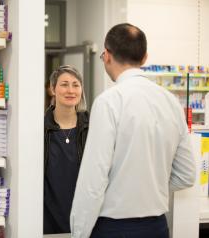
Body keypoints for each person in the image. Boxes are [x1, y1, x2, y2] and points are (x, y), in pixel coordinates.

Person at [70, 23, 196, 238]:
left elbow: (93, 182)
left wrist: (79, 233)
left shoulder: (109, 102)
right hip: (157, 227)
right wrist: (148, 187)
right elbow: (186, 175)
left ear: (107, 56)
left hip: (113, 228)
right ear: (145, 58)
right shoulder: (171, 102)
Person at [44, 65, 89, 234]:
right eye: (64, 84)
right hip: (49, 220)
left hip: (86, 218)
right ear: (52, 89)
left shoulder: (92, 126)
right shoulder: (42, 128)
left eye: (76, 85)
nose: (70, 90)